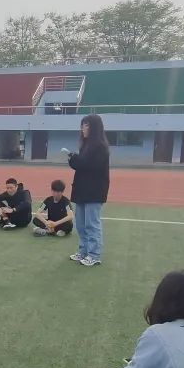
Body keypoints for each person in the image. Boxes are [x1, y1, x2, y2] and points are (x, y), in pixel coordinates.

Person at [66, 114, 110, 267]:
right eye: (82, 125)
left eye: (86, 125)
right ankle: (83, 251)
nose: (83, 128)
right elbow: (82, 165)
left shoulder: (100, 147)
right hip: (82, 190)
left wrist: (75, 159)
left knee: (92, 224)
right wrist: (73, 159)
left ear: (94, 128)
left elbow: (90, 166)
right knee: (80, 224)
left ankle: (94, 254)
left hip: (94, 191)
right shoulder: (85, 146)